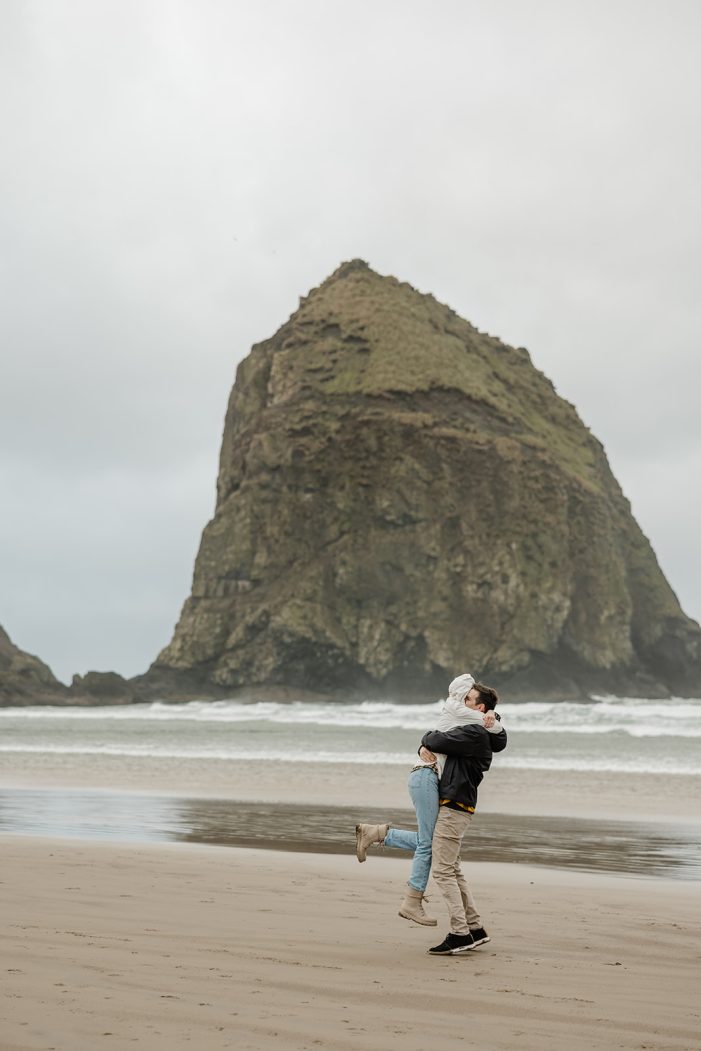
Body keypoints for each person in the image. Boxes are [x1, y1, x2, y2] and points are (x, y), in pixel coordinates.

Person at [354, 674, 506, 933]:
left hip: (430, 778)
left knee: (434, 845)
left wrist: (492, 718)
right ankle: (413, 902)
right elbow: (436, 737)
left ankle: (377, 834)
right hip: (426, 776)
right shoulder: (461, 713)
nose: (463, 699)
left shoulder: (473, 725)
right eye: (465, 696)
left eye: (469, 697)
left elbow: (497, 739)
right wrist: (426, 740)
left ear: (479, 706)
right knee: (431, 845)